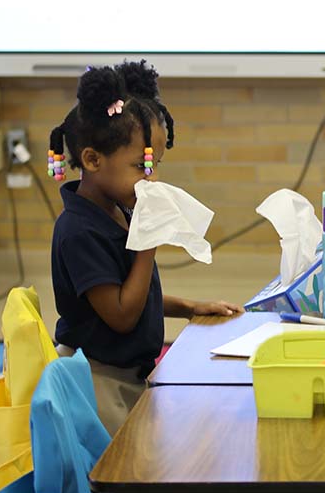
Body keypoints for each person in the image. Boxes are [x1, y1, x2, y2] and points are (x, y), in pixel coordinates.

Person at [47, 60, 238, 435]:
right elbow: (120, 314)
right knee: (121, 472)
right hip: (98, 381)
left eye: (155, 165)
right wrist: (147, 242)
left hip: (128, 374)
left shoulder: (118, 209)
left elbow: (130, 293)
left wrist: (188, 307)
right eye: (141, 166)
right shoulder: (79, 232)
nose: (151, 179)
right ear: (92, 159)